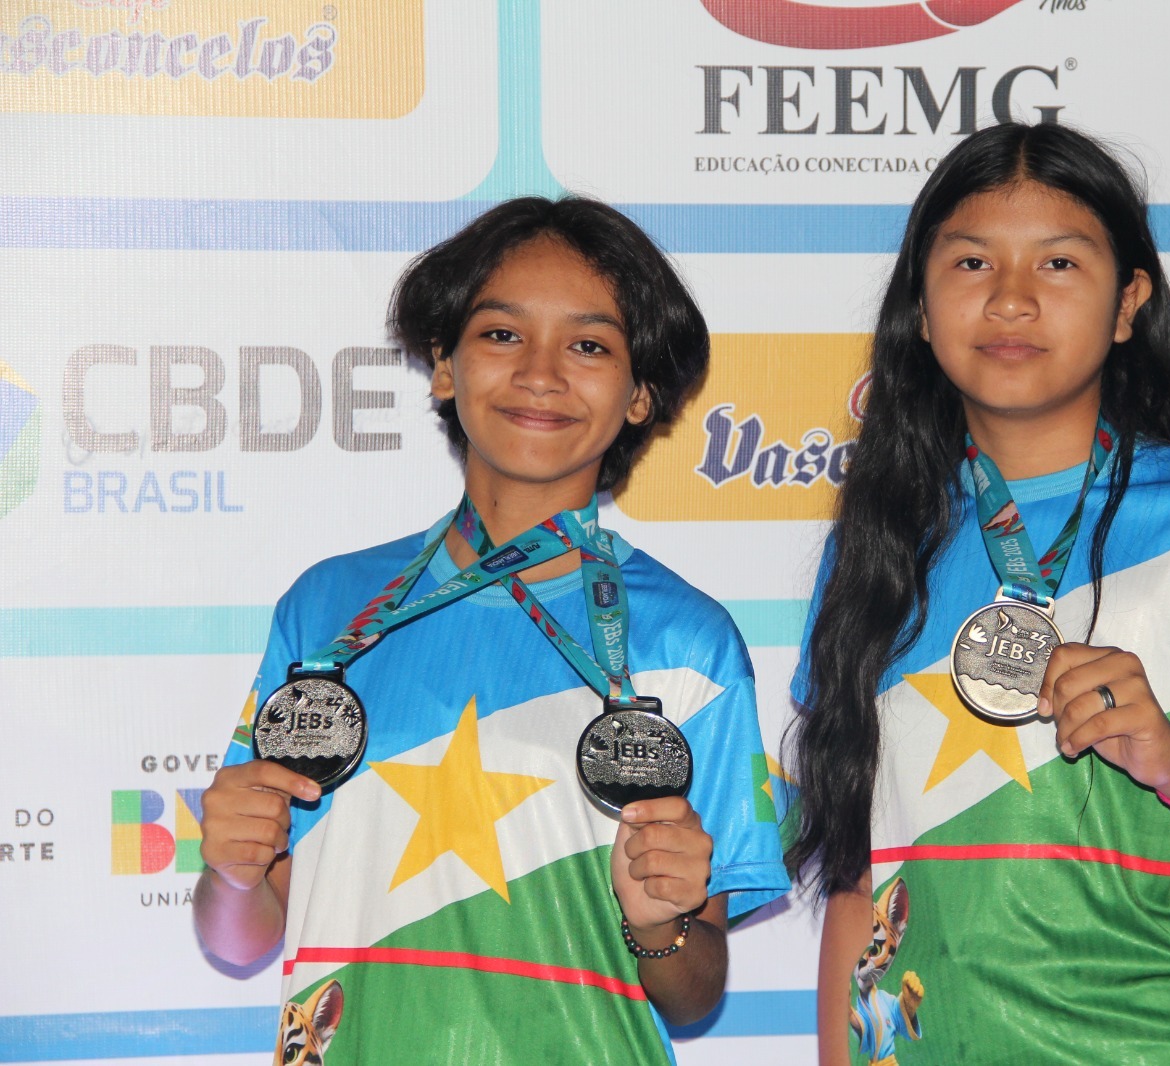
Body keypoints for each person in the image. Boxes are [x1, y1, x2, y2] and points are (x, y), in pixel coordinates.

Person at [786, 123, 1170, 1065]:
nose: (1011, 298)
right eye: (972, 262)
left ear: (1128, 303)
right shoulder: (874, 551)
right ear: (920, 306)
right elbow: (857, 889)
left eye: (1058, 263)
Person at [195, 196, 789, 1064]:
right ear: (444, 366)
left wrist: (659, 924)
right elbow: (237, 938)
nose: (540, 373)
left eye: (590, 346)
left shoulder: (689, 642)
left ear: (639, 395)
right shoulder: (327, 615)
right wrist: (230, 871)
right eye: (503, 335)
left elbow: (695, 993)